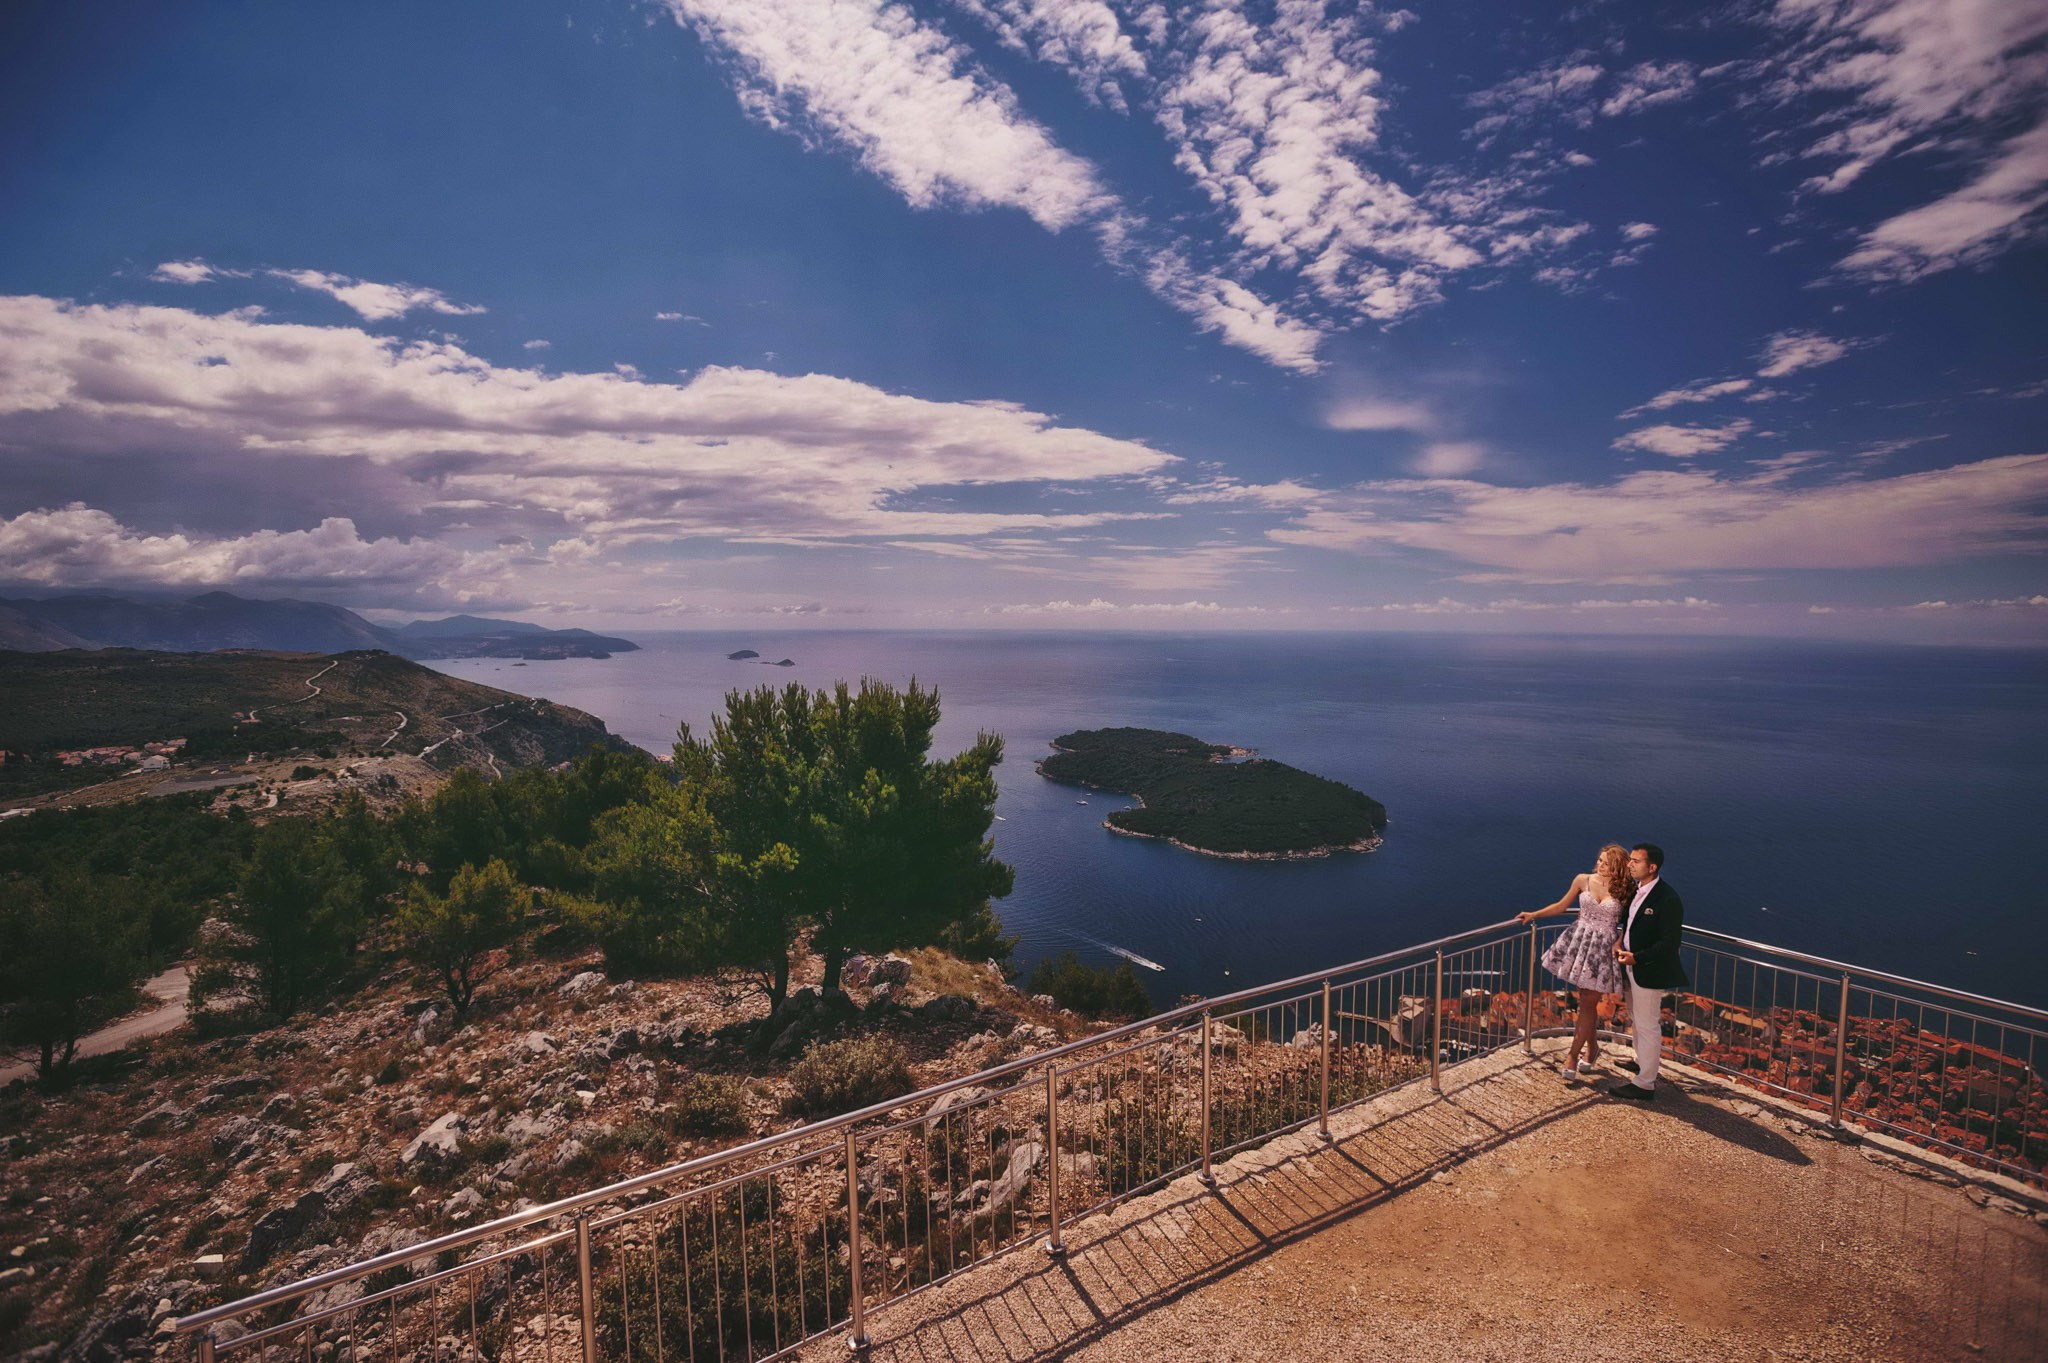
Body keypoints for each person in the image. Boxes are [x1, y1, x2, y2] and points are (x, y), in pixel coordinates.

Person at [1517, 844, 1633, 1078]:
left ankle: (1572, 1057)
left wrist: (1620, 941)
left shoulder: (1626, 888)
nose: (1600, 865)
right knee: (1586, 1003)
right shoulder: (1583, 879)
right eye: (1599, 860)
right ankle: (1592, 1049)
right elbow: (1561, 906)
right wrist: (1534, 915)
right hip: (1579, 944)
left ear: (1618, 867)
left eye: (1606, 863)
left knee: (1588, 1002)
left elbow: (1632, 922)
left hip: (1603, 950)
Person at [1607, 842, 1688, 1102]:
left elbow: (1669, 943)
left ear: (1652, 867)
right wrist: (1620, 942)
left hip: (1649, 970)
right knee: (1636, 1017)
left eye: (1635, 861)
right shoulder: (1637, 891)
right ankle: (1642, 1062)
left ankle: (1645, 1084)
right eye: (1630, 860)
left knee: (1647, 1024)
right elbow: (1629, 924)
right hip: (1631, 965)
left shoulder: (1667, 899)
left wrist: (1637, 957)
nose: (1629, 864)